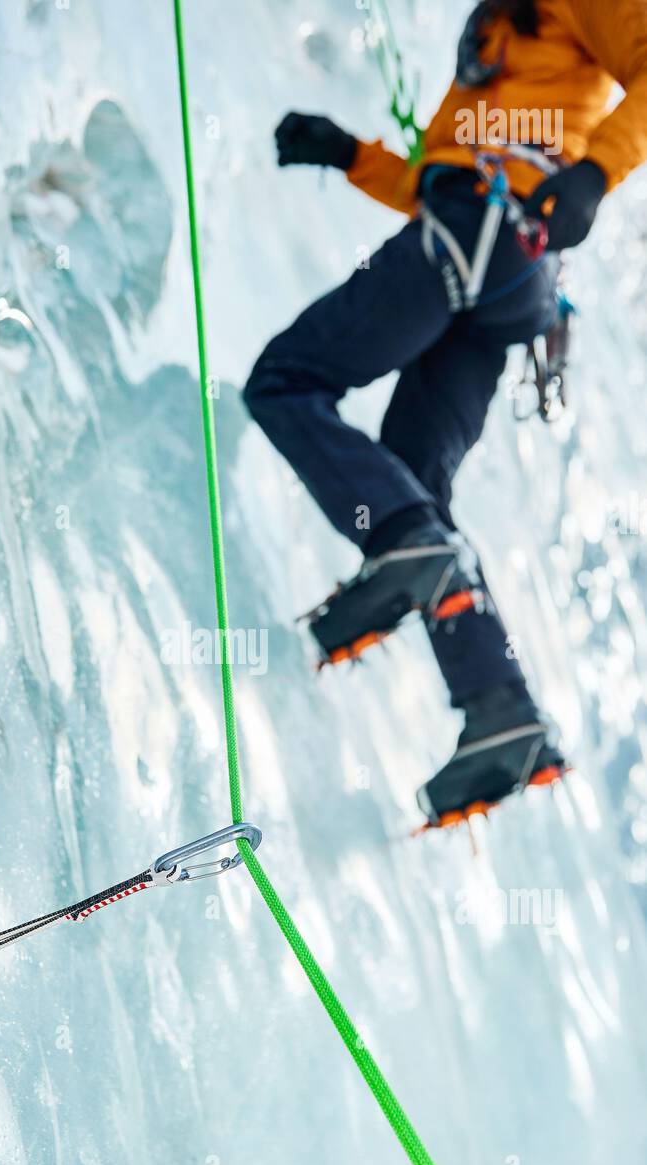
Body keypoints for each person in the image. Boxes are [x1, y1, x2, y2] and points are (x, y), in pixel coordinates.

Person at [244, 0, 647, 825]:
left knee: (285, 381)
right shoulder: (503, 35)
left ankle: (403, 546)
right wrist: (351, 154)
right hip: (506, 269)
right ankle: (499, 708)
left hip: (483, 235)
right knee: (414, 481)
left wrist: (594, 173)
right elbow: (446, 179)